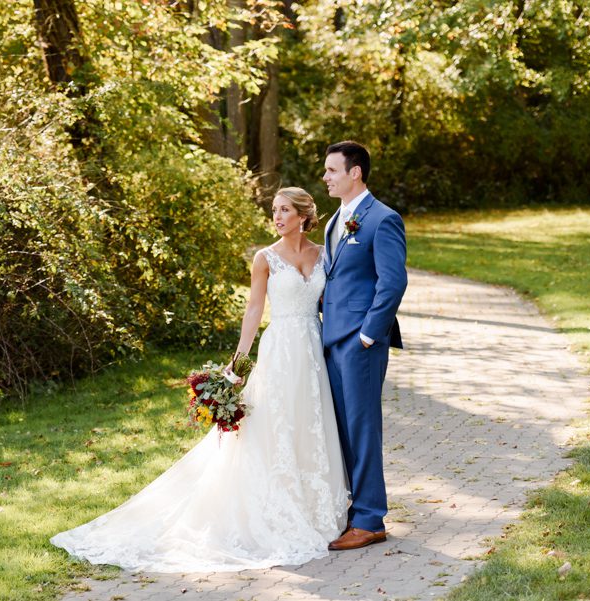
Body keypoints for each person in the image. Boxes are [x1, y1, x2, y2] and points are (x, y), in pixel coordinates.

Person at [50, 187, 349, 572]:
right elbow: (254, 309)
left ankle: (315, 509)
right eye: (274, 210)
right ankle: (275, 510)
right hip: (281, 351)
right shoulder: (265, 258)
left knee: (310, 426)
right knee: (275, 426)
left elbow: (332, 302)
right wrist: (238, 365)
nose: (277, 217)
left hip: (313, 351)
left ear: (304, 215)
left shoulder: (323, 254)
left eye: (285, 210)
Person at [320, 141, 408, 550]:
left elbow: (393, 282)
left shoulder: (383, 219)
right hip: (330, 340)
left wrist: (368, 336)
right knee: (341, 428)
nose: (326, 177)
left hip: (360, 344)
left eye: (332, 170)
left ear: (355, 172)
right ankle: (354, 510)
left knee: (362, 428)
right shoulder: (334, 220)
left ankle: (371, 519)